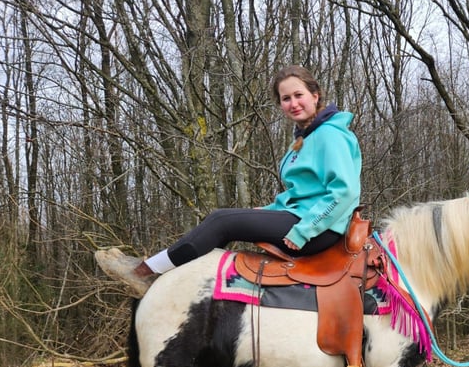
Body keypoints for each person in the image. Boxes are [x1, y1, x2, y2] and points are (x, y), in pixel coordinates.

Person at [95, 65, 362, 297]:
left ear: (315, 95)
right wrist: (269, 211)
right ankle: (178, 281)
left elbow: (344, 192)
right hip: (304, 219)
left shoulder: (329, 135)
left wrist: (304, 230)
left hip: (318, 230)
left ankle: (145, 272)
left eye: (298, 95)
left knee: (222, 221)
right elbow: (302, 193)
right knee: (227, 220)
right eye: (286, 98)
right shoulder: (306, 138)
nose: (293, 103)